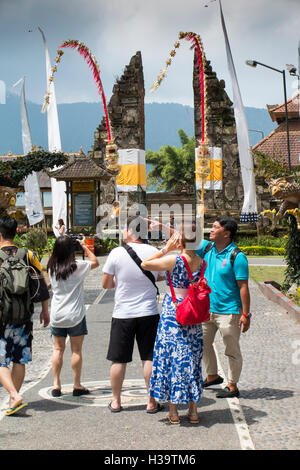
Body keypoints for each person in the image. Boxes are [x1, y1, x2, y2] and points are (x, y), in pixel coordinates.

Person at [141, 225, 205, 425]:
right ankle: (193, 411)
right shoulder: (201, 262)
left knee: (172, 358)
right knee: (192, 360)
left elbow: (145, 264)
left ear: (180, 242)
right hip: (193, 314)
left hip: (174, 313)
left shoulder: (174, 260)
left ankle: (174, 411)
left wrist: (165, 249)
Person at [102, 216, 165, 413]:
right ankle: (151, 401)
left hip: (123, 313)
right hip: (149, 312)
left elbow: (106, 284)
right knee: (149, 357)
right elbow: (162, 275)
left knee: (119, 359)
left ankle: (116, 401)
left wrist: (119, 283)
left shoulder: (116, 253)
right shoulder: (154, 252)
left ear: (129, 231)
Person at [195, 216, 251, 398]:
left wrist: (246, 314)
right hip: (207, 309)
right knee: (202, 343)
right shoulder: (208, 249)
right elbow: (186, 237)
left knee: (231, 349)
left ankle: (232, 385)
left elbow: (243, 287)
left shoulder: (237, 257)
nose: (211, 230)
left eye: (215, 227)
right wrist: (161, 226)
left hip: (229, 311)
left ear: (226, 234)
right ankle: (212, 375)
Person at [0, 216, 50, 416]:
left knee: (1, 360)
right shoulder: (28, 254)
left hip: (1, 317)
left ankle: (13, 394)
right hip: (24, 315)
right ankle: (14, 400)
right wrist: (45, 310)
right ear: (15, 233)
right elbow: (41, 284)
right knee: (19, 359)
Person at [47, 235, 99, 397]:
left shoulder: (51, 267)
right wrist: (84, 246)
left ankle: (56, 384)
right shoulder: (77, 266)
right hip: (75, 314)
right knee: (76, 350)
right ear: (72, 249)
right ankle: (77, 385)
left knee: (57, 349)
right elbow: (96, 262)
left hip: (57, 314)